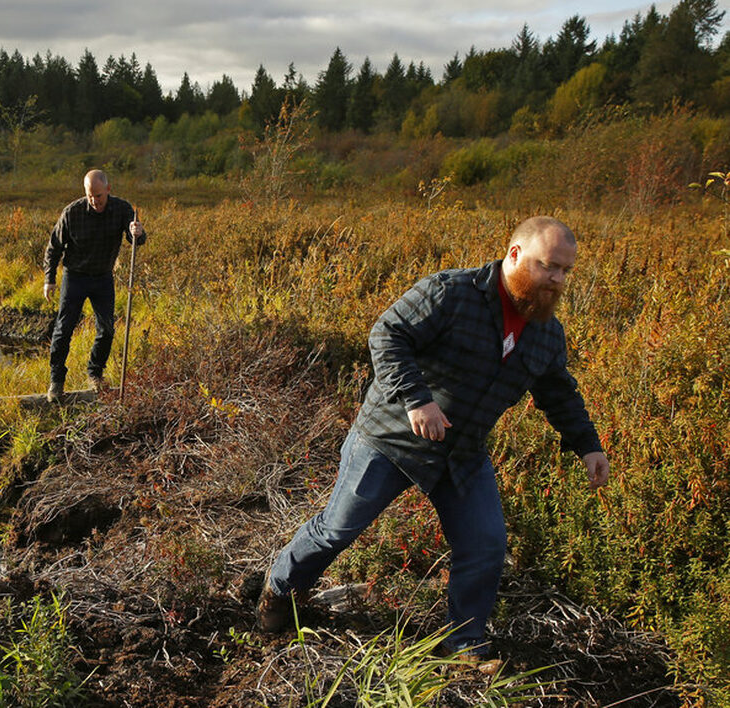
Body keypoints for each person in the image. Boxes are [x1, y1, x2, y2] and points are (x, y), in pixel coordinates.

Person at [257, 216, 610, 669]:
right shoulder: (452, 292)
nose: (557, 279)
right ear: (515, 254)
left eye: (565, 270)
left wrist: (588, 445)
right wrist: (417, 400)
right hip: (389, 439)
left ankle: (463, 646)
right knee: (338, 529)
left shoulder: (546, 333)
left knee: (485, 544)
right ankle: (280, 589)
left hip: (461, 452)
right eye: (548, 266)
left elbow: (558, 392)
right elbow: (388, 333)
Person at [43, 169, 146, 401]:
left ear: (108, 189)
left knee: (107, 329)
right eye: (90, 196)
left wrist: (137, 232)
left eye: (98, 196)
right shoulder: (72, 212)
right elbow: (53, 248)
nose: (94, 201)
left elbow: (136, 238)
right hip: (75, 276)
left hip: (102, 277)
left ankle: (95, 373)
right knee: (63, 329)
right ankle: (56, 381)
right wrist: (49, 280)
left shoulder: (122, 209)